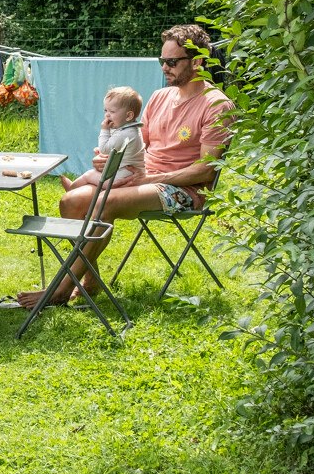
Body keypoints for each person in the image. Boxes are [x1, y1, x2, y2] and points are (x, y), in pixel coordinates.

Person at [17, 24, 234, 308]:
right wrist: (108, 159)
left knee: (105, 203)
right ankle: (90, 281)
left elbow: (205, 171)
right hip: (139, 178)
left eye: (172, 62)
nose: (165, 68)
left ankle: (59, 289)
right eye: (162, 61)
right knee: (70, 201)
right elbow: (136, 145)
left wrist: (148, 179)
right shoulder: (160, 97)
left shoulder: (217, 105)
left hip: (183, 190)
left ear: (198, 62)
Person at [59, 86, 145, 192]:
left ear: (128, 116)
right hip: (125, 174)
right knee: (95, 175)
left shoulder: (124, 134)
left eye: (112, 112)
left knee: (89, 175)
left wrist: (104, 130)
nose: (107, 115)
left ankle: (71, 188)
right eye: (105, 110)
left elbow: (104, 149)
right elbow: (114, 148)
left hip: (121, 179)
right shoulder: (132, 129)